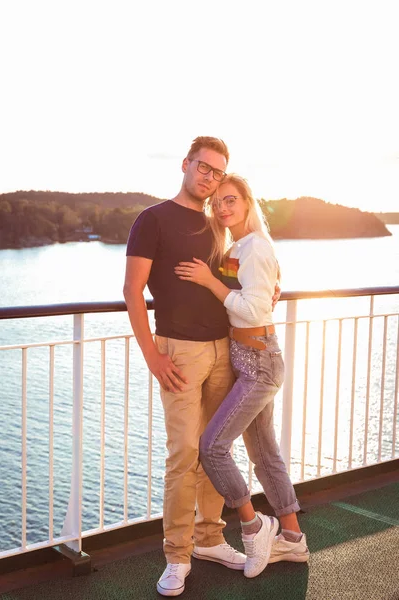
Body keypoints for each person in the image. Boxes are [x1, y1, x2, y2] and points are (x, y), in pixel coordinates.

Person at [123, 137, 247, 597]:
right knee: (183, 455)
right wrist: (152, 355)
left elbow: (234, 275)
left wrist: (266, 288)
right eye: (204, 167)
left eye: (217, 172)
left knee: (214, 449)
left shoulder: (220, 224)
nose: (209, 177)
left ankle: (210, 538)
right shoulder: (152, 220)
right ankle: (177, 554)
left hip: (224, 349)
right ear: (186, 165)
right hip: (179, 351)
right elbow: (132, 290)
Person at [174, 173, 309, 579]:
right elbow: (257, 293)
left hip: (259, 362)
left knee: (211, 447)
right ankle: (293, 538)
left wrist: (210, 282)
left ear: (248, 202)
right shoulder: (241, 246)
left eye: (230, 200)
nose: (223, 208)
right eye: (217, 202)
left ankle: (254, 526)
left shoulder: (253, 247)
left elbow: (251, 310)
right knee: (265, 455)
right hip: (249, 357)